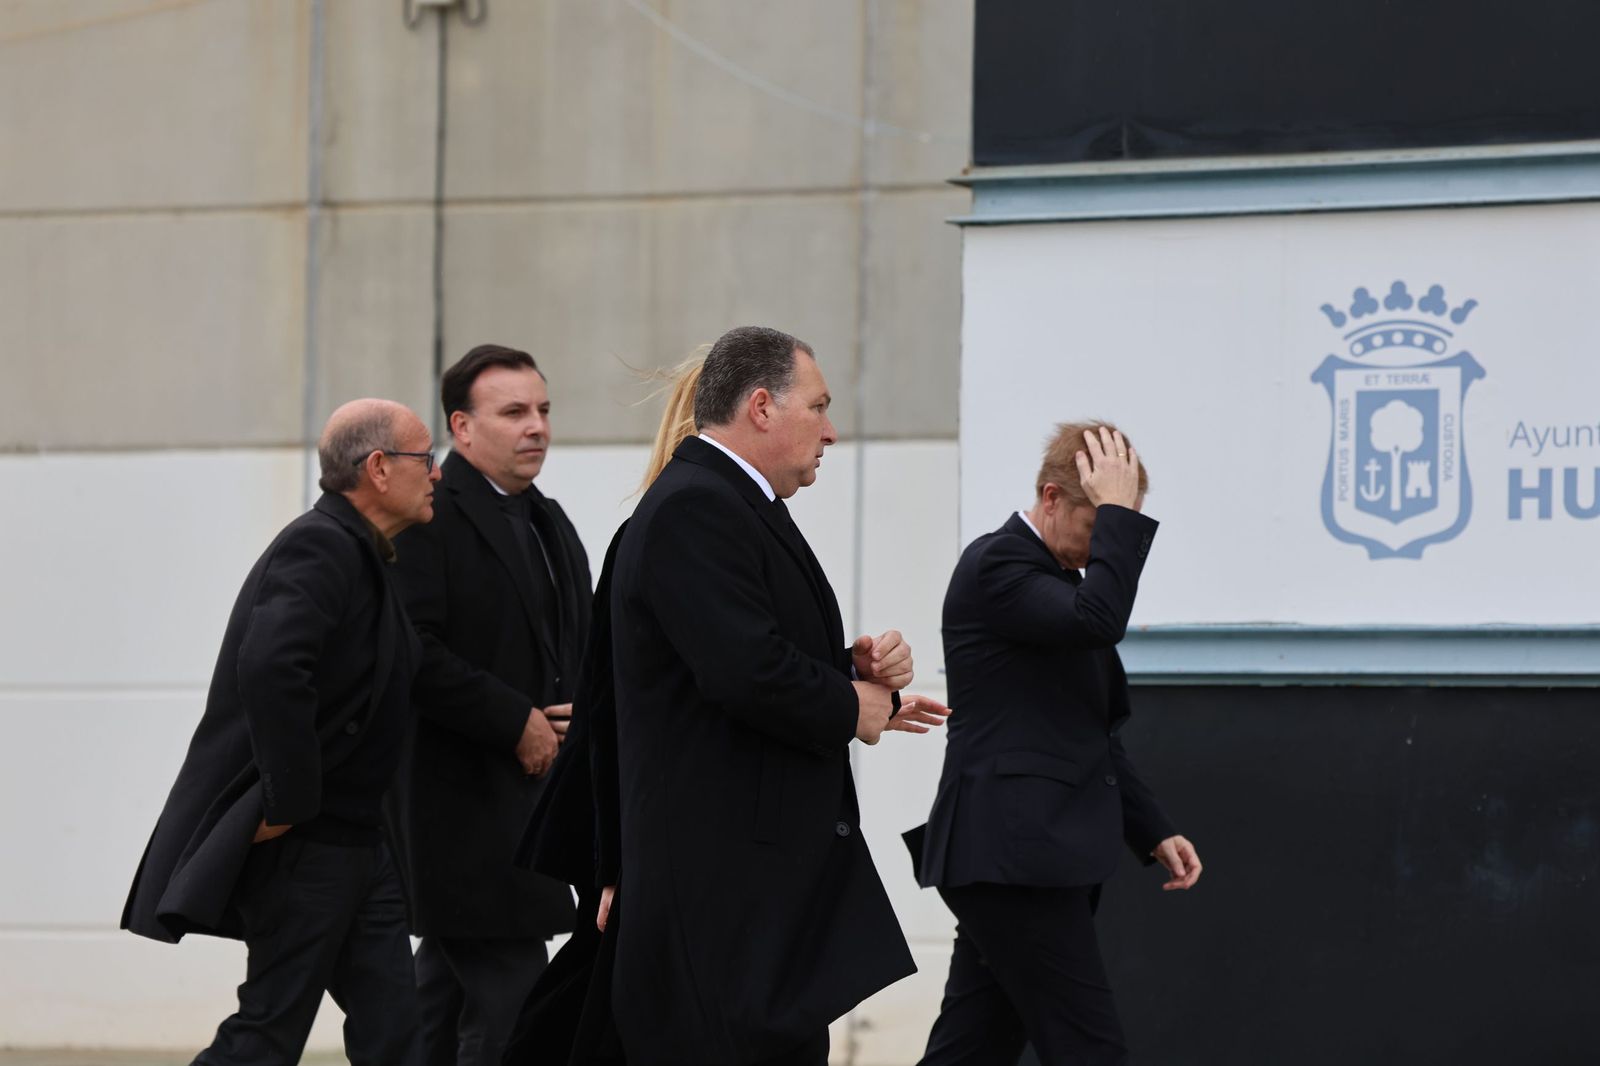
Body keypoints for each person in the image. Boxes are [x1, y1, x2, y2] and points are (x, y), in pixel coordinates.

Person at [607, 325, 926, 1066]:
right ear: (760, 407)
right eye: (818, 406)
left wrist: (852, 670)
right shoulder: (695, 507)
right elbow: (743, 671)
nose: (831, 431)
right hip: (722, 901)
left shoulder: (729, 503)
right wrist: (851, 706)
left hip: (753, 902)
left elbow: (734, 654)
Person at [121, 398, 441, 1066]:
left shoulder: (365, 554)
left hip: (359, 843)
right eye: (426, 457)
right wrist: (287, 800)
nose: (436, 473)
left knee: (396, 1033)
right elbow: (270, 665)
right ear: (379, 468)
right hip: (311, 847)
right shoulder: (321, 544)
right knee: (268, 1032)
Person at [906, 423, 1203, 1066]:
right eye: (1098, 524)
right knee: (1089, 1048)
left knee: (973, 1047)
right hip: (1016, 860)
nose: (1103, 546)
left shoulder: (1060, 583)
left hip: (1018, 859)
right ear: (1050, 498)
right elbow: (1100, 620)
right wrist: (1121, 516)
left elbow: (1088, 730)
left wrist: (1152, 828)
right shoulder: (998, 564)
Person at [386, 344, 593, 1066]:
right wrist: (517, 721)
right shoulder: (427, 516)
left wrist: (579, 714)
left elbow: (577, 647)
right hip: (459, 811)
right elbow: (412, 649)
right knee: (513, 1008)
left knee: (441, 1006)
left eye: (543, 410)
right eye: (513, 412)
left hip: (530, 809)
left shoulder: (550, 521)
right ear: (462, 427)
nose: (536, 426)